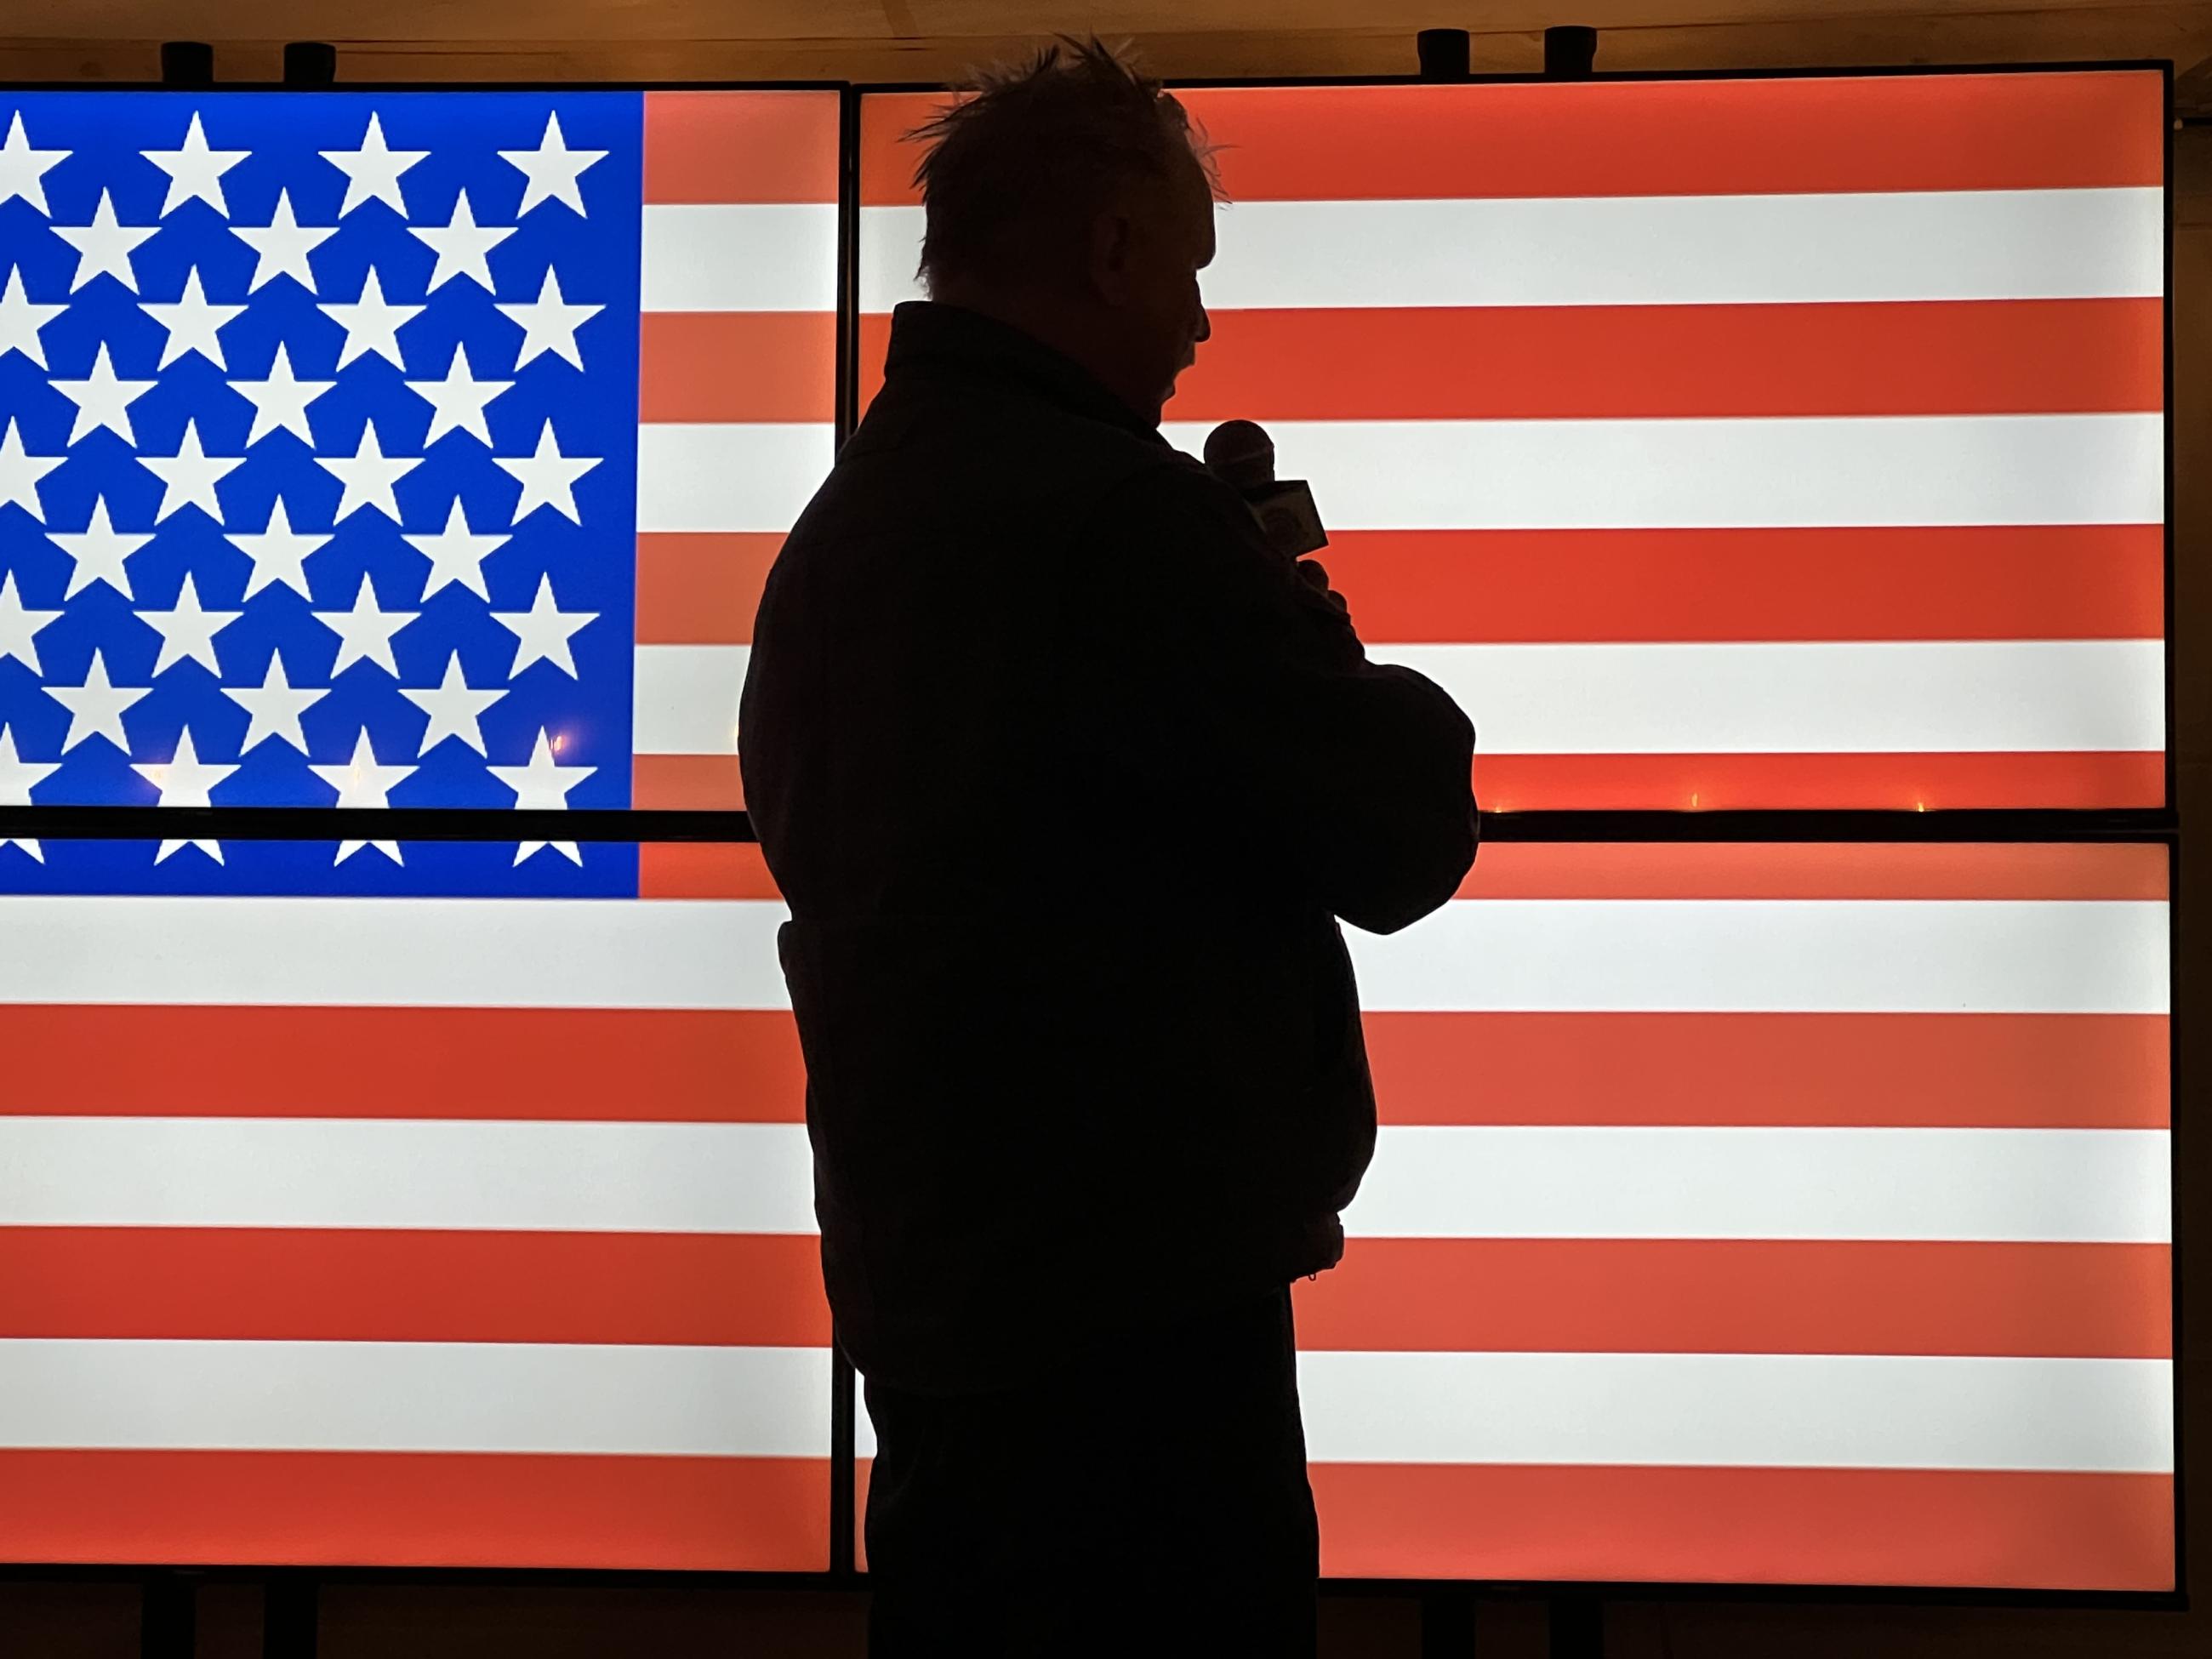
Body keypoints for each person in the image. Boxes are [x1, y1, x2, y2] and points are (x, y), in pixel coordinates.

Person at [738, 37, 1479, 1657]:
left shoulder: (849, 529)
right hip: (1133, 1334)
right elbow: (1401, 832)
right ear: (1110, 247)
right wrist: (1311, 626)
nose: (1200, 328)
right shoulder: (1114, 522)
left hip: (940, 1304)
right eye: (1189, 272)